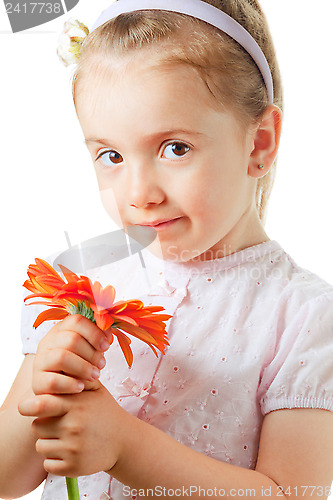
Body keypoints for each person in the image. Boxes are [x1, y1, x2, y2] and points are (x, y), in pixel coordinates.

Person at [1, 0, 333, 499]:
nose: (139, 193)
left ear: (259, 142)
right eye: (111, 155)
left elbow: (293, 494)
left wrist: (127, 448)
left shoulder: (302, 316)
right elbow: (7, 479)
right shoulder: (83, 280)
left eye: (174, 148)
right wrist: (43, 384)